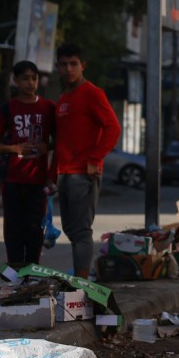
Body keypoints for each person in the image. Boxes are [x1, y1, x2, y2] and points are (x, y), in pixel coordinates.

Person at [54, 44, 121, 279]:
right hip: (64, 173)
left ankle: (81, 284)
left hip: (83, 174)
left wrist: (95, 159)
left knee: (81, 231)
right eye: (64, 64)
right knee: (70, 230)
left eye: (73, 64)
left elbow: (113, 127)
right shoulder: (64, 98)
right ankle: (80, 277)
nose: (68, 69)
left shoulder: (92, 93)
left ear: (82, 66)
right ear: (58, 67)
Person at [0, 60, 55, 278]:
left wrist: (48, 146)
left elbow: (61, 140)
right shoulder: (8, 108)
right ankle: (14, 278)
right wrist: (13, 147)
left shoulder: (47, 108)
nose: (30, 83)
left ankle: (33, 277)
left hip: (38, 180)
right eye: (25, 78)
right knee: (14, 230)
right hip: (13, 179)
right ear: (15, 81)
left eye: (34, 78)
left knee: (35, 231)